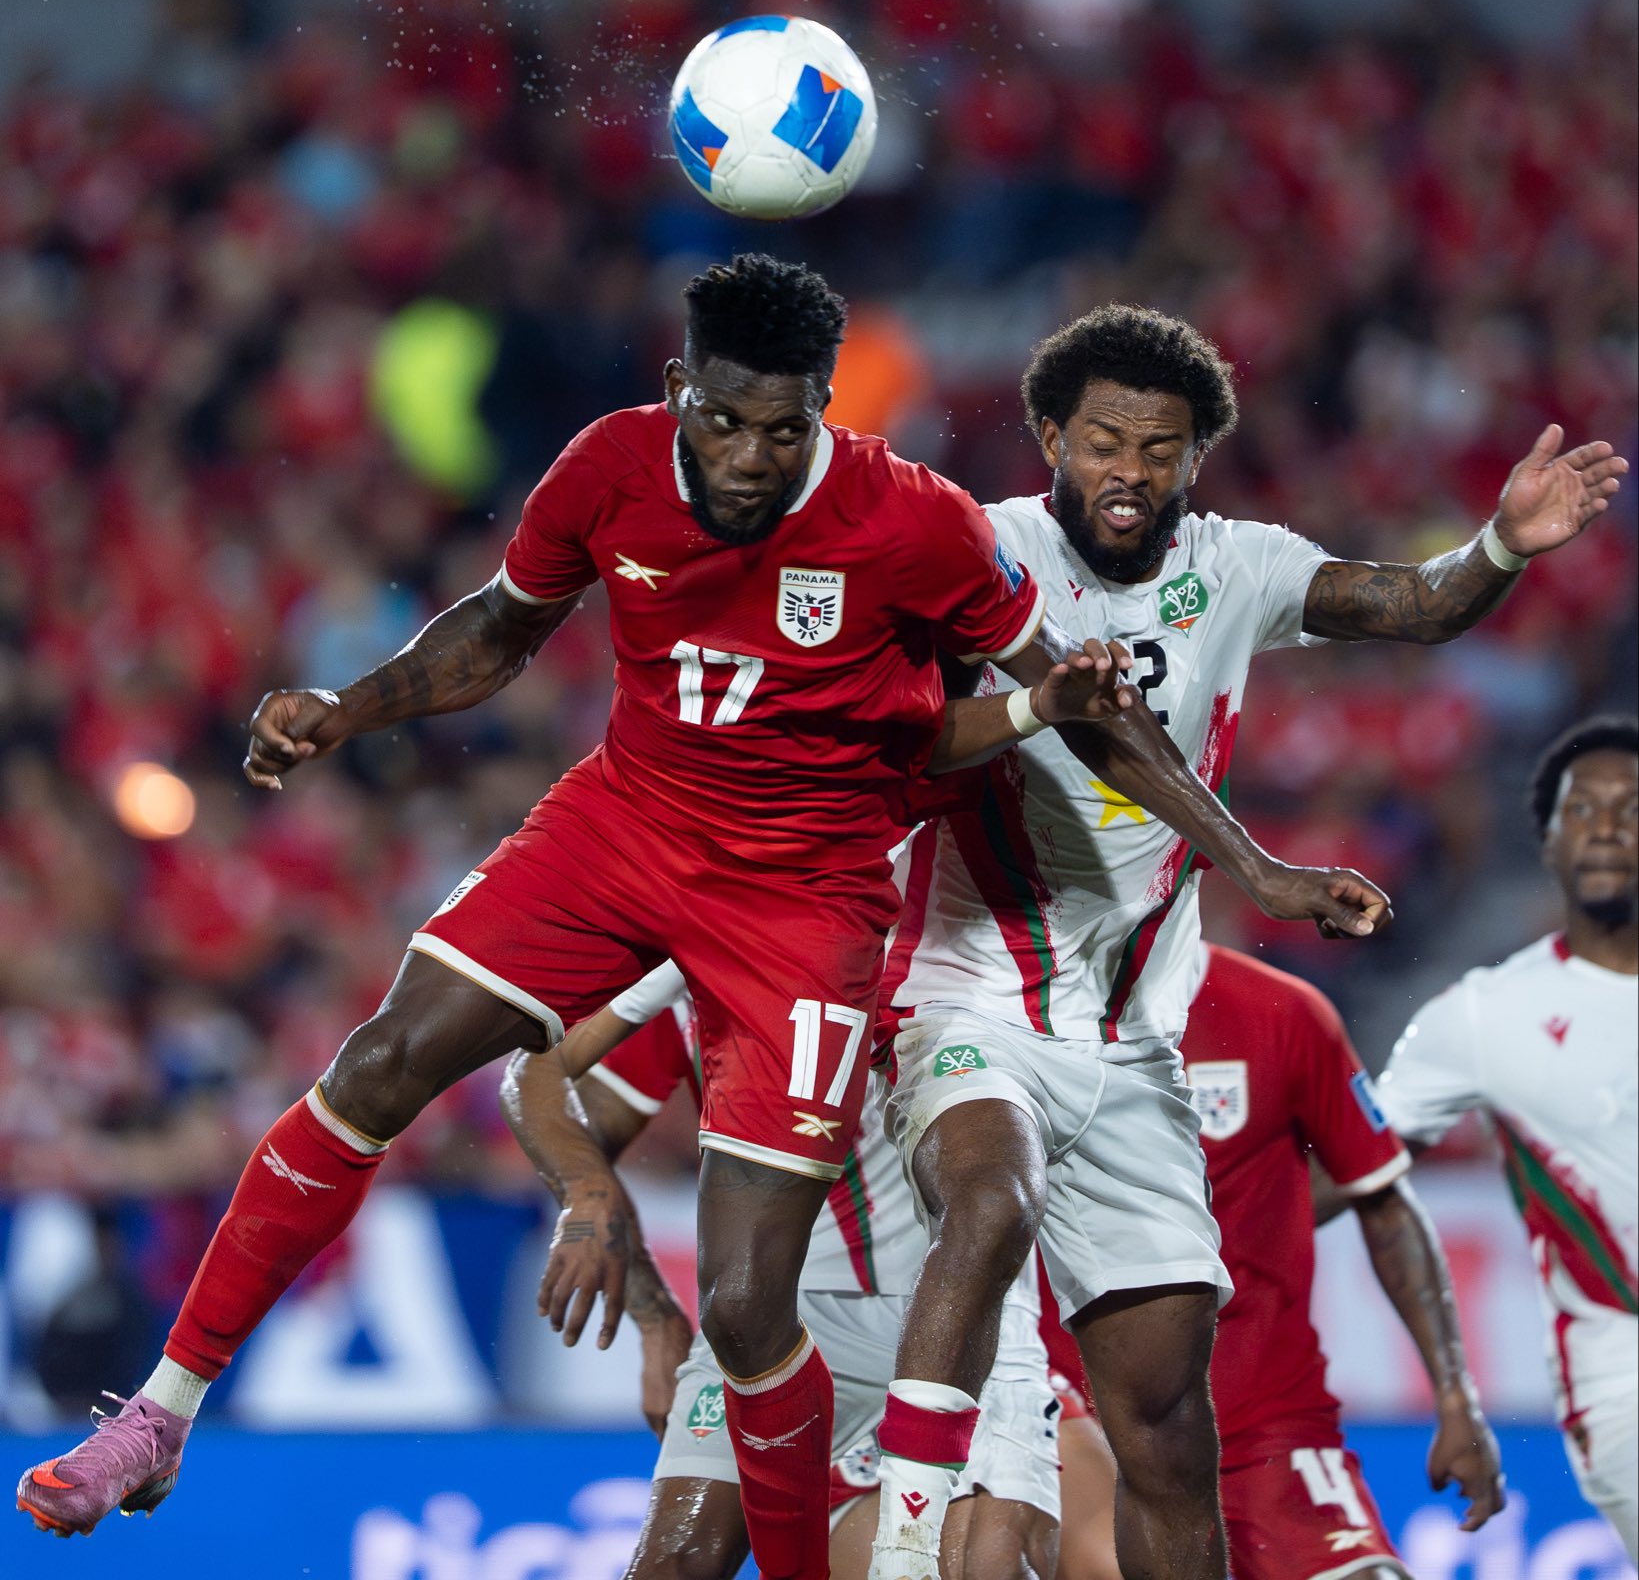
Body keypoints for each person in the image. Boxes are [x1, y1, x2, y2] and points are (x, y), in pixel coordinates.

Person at [19, 256, 1324, 1574]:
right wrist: (348, 710)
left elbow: (1080, 705)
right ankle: (165, 1412)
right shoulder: (608, 468)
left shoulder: (910, 521)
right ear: (675, 389)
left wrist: (1251, 867)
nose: (751, 456)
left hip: (804, 896)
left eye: (785, 425)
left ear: (825, 406)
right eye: (723, 418)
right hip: (625, 824)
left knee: (750, 1302)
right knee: (380, 1061)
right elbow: (495, 632)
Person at [866, 303, 1626, 1580]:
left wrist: (1501, 541)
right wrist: (1260, 867)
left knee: (1166, 1421)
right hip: (971, 992)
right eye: (1104, 440)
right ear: (1051, 434)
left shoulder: (1238, 562)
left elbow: (1413, 602)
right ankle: (902, 1536)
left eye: (1160, 449)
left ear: (1194, 461)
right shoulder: (978, 550)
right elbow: (905, 738)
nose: (1130, 471)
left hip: (1133, 1041)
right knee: (988, 1198)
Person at [502, 962, 1063, 1580]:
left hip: (953, 1315)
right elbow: (538, 1076)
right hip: (771, 1321)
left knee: (978, 1566)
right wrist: (655, 1314)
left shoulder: (932, 918)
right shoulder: (692, 952)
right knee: (674, 1562)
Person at [1377, 716, 1638, 1560]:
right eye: (1581, 810)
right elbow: (1355, 1164)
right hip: (1621, 1371)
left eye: (1630, 808)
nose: (1605, 828)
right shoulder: (1483, 1015)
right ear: (1548, 839)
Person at [1185, 941, 1504, 1580]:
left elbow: (1382, 1197)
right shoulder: (1014, 1017)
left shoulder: (1281, 1010)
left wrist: (1454, 1395)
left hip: (1264, 1425)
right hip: (1079, 1417)